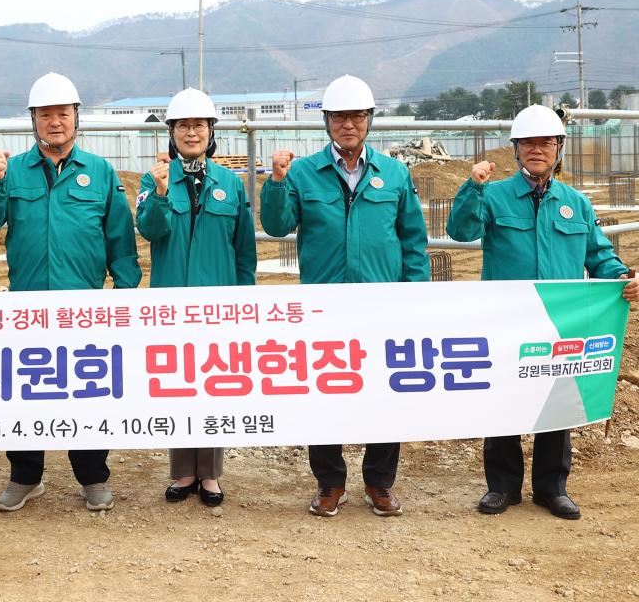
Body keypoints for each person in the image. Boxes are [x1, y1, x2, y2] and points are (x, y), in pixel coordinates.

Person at [447, 103, 638, 520]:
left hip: (558, 320)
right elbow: (460, 231)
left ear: (558, 148)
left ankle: (552, 488)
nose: (537, 149)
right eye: (528, 143)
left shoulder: (576, 203)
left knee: (556, 401)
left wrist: (623, 277)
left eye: (546, 143)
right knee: (504, 398)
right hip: (506, 319)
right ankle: (502, 486)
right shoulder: (493, 195)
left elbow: (598, 255)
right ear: (516, 149)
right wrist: (472, 187)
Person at [260, 74, 429, 518]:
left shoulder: (394, 173)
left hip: (381, 304)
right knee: (324, 392)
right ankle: (330, 483)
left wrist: (415, 295)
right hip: (324, 306)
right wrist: (276, 182)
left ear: (369, 120)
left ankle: (379, 483)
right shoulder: (302, 172)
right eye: (339, 117)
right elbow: (277, 225)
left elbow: (412, 240)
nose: (348, 124)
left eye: (356, 116)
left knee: (384, 391)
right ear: (327, 122)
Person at [0, 72, 141, 512]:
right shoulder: (12, 171)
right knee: (23, 392)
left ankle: (93, 476)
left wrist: (124, 295)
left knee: (88, 392)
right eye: (45, 115)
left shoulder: (100, 172)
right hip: (28, 307)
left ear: (75, 117)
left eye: (62, 114)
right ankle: (25, 476)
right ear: (33, 120)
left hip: (83, 309)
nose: (55, 122)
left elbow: (120, 241)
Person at [136, 88, 256, 507]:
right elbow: (150, 230)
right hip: (170, 304)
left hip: (218, 305)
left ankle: (210, 474)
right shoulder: (155, 179)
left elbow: (244, 250)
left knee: (213, 386)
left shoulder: (230, 183)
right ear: (171, 132)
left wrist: (246, 302)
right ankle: (184, 471)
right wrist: (161, 194)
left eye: (199, 125)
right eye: (183, 126)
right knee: (179, 384)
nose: (192, 132)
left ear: (211, 132)